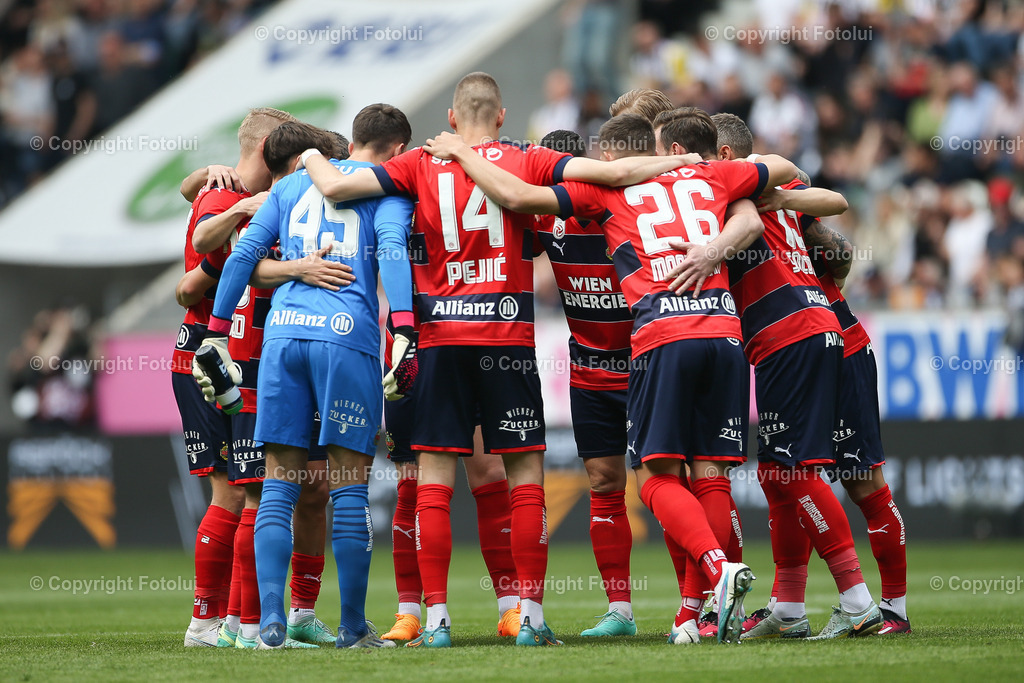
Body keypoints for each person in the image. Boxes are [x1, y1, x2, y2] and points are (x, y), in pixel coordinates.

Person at [298, 72, 695, 647]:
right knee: (525, 479)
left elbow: (334, 188)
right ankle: (528, 618)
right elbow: (611, 174)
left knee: (431, 484)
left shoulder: (417, 165)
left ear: (453, 119)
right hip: (506, 341)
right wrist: (692, 169)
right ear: (503, 116)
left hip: (438, 342)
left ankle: (434, 622)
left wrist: (310, 150)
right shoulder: (527, 158)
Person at [421, 110, 796, 644]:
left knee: (664, 479)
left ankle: (700, 601)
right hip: (639, 356)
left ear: (612, 160)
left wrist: (459, 154)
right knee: (619, 480)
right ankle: (640, 608)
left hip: (656, 349)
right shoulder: (695, 180)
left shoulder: (605, 196)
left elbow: (518, 195)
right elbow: (776, 177)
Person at [196, 106, 416, 649]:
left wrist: (218, 331)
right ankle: (351, 628)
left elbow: (244, 253)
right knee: (346, 486)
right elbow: (390, 251)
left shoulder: (292, 184)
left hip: (282, 336)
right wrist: (405, 327)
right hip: (346, 337)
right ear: (392, 150)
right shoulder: (387, 188)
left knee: (277, 484)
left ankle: (269, 624)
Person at [705, 112, 883, 640]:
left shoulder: (731, 187)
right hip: (814, 323)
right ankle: (788, 608)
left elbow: (829, 210)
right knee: (776, 471)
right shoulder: (773, 182)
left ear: (725, 156)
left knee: (795, 470)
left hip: (789, 328)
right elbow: (835, 208)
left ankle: (858, 601)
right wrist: (784, 197)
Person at [173, 106, 291, 648]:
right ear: (266, 145)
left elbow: (188, 191)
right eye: (283, 147)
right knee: (237, 495)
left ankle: (220, 621)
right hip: (208, 356)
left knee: (241, 493)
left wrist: (198, 177)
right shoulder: (230, 198)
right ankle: (218, 623)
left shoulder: (220, 188)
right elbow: (188, 289)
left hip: (226, 355)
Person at [532, 129, 636, 637]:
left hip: (647, 363)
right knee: (603, 482)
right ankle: (621, 611)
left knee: (670, 480)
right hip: (589, 369)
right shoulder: (546, 219)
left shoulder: (627, 204)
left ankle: (698, 604)